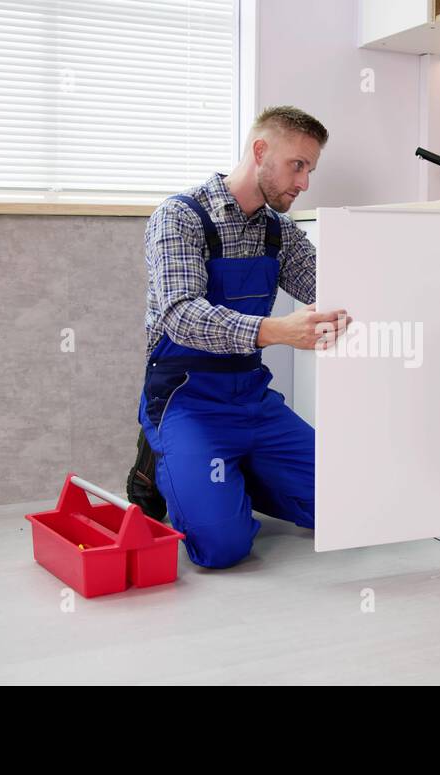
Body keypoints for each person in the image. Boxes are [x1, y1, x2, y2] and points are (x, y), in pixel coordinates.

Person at [128, 106, 349, 569]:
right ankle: (167, 462)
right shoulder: (180, 216)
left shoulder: (279, 231)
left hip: (251, 399)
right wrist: (277, 330)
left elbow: (329, 288)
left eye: (310, 169)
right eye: (297, 165)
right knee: (221, 549)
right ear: (260, 151)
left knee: (346, 503)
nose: (304, 182)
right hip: (187, 399)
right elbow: (181, 316)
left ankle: (228, 471)